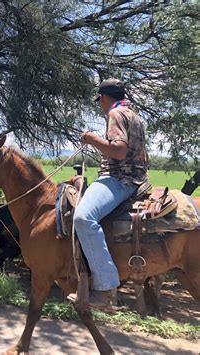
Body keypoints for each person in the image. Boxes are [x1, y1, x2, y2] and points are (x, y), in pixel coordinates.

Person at [67, 78, 149, 312]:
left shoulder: (116, 114)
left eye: (100, 101)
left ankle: (103, 289)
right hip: (136, 178)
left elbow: (119, 150)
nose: (100, 105)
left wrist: (92, 139)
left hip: (119, 179)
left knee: (83, 217)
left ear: (103, 98)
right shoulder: (134, 115)